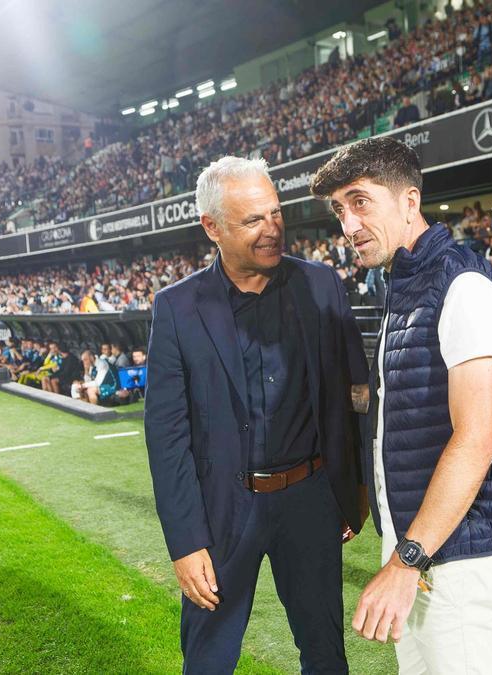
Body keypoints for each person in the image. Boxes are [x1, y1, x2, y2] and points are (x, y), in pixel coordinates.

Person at [312, 136, 492, 673]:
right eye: (340, 210)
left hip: (452, 551)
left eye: (361, 202)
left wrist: (407, 560)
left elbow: (476, 440)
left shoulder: (462, 284)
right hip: (421, 541)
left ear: (409, 201)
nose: (348, 225)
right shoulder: (408, 281)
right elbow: (401, 401)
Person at [144, 156, 367, 673]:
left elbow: (352, 393)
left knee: (326, 655)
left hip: (311, 501)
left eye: (275, 213)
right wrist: (185, 541)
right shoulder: (176, 308)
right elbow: (167, 435)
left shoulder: (322, 285)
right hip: (221, 512)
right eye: (252, 220)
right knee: (208, 661)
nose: (272, 229)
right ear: (212, 228)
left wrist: (351, 491)